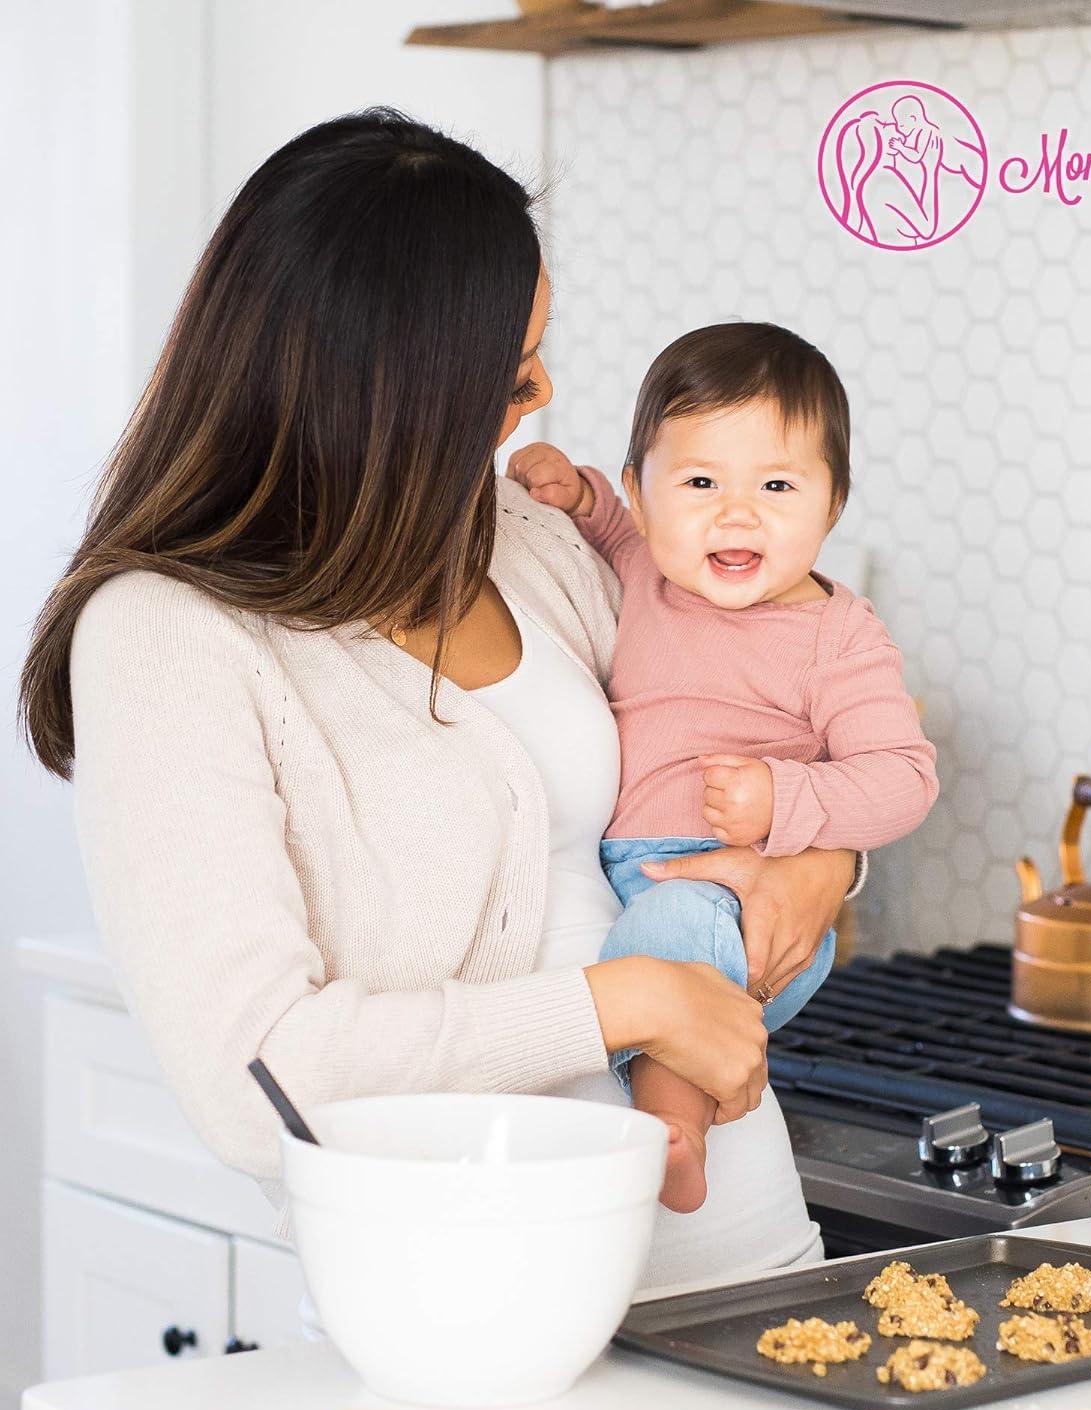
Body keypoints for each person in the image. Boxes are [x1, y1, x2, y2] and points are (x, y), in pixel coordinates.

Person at [17, 108, 863, 1295]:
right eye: (508, 369)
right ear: (386, 375)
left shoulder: (535, 544)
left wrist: (828, 868)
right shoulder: (168, 637)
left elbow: (760, 740)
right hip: (461, 1306)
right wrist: (623, 1002)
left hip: (751, 1258)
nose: (544, 388)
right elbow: (258, 1079)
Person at [507, 322, 938, 1212]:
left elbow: (904, 777)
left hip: (739, 900)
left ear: (833, 503)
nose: (736, 514)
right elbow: (606, 520)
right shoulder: (647, 566)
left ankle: (675, 1136)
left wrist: (786, 797)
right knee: (647, 948)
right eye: (700, 482)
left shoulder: (836, 635)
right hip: (632, 882)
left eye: (777, 485)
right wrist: (575, 490)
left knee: (669, 944)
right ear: (644, 492)